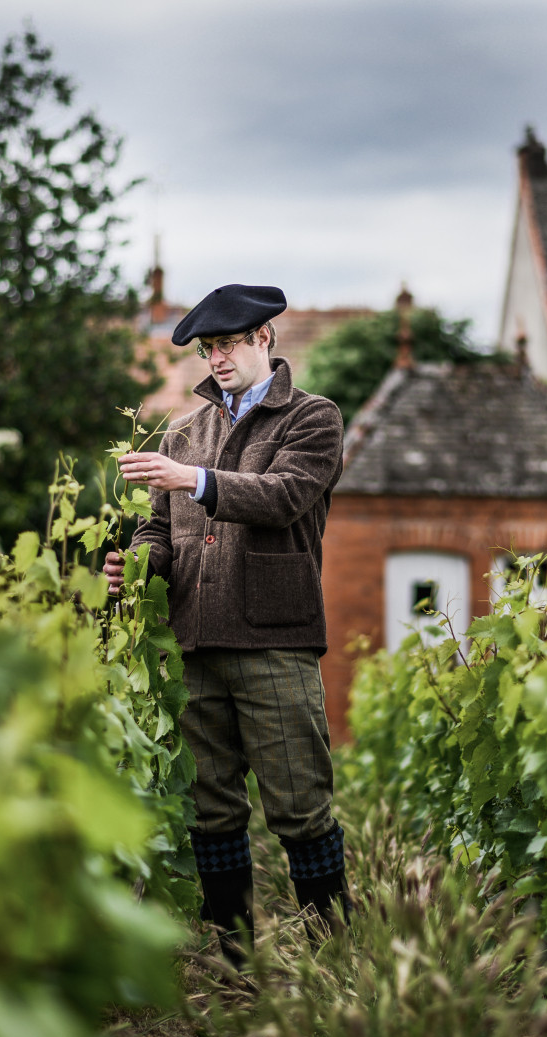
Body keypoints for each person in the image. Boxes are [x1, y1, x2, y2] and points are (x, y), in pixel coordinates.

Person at [103, 283, 350, 966]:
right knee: (211, 811)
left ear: (264, 340)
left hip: (275, 638)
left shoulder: (312, 417)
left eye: (228, 344)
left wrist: (195, 480)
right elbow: (161, 531)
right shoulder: (182, 431)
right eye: (208, 348)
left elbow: (285, 497)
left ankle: (335, 955)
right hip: (195, 642)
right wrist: (135, 566)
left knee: (299, 805)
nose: (216, 358)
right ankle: (234, 956)